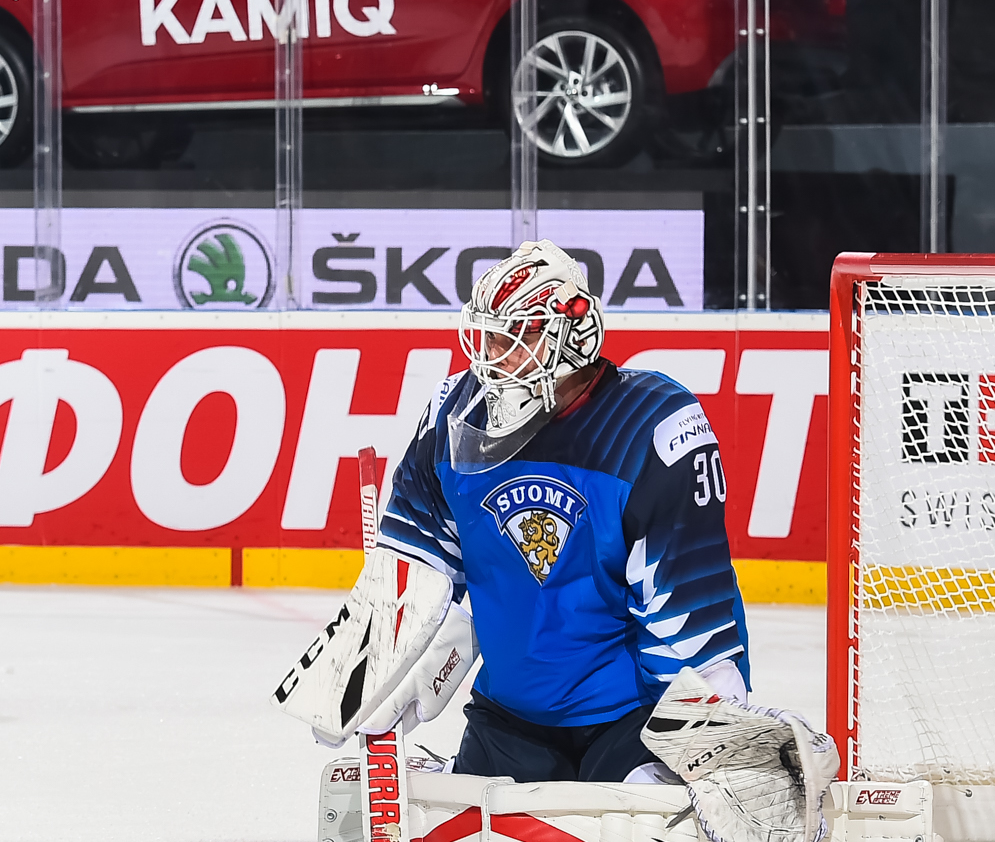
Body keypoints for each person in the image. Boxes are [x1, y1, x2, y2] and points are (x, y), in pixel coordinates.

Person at [275, 240, 751, 784]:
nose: (494, 356)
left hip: (629, 720)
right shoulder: (455, 413)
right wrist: (369, 670)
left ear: (574, 333)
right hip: (508, 721)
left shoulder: (650, 425)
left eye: (515, 337)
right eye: (491, 337)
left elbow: (684, 606)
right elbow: (418, 565)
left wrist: (692, 743)